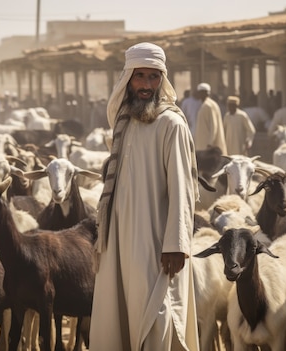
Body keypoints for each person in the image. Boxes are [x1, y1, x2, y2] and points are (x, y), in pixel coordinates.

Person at [91, 42, 200, 351]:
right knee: (120, 311)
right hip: (120, 239)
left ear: (162, 80)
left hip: (156, 241)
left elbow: (183, 187)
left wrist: (176, 244)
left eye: (154, 77)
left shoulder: (171, 123)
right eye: (140, 77)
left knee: (158, 312)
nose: (147, 85)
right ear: (128, 79)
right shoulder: (124, 121)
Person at [194, 82, 227, 154]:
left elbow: (213, 125)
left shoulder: (208, 105)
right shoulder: (206, 104)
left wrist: (210, 143)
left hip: (207, 146)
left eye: (200, 92)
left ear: (205, 93)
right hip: (203, 144)